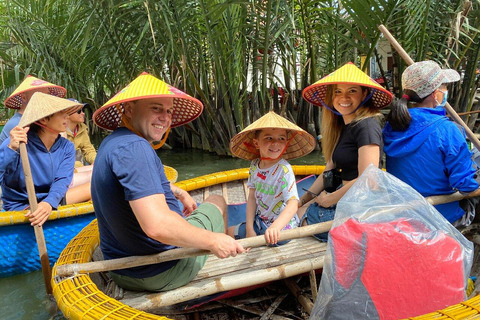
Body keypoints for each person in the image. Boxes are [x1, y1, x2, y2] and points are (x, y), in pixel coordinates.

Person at [91, 72, 245, 292]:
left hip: (123, 271)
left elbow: (132, 185)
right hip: (161, 269)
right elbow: (157, 225)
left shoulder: (113, 142)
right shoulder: (135, 148)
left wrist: (176, 192)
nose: (165, 117)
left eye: (169, 111)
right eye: (156, 108)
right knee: (217, 199)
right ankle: (227, 248)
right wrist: (213, 241)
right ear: (129, 109)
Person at [299, 62, 393, 240]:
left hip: (362, 206)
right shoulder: (343, 126)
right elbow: (330, 167)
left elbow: (369, 179)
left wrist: (330, 199)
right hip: (345, 198)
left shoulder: (366, 126)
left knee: (298, 219)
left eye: (352, 91)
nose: (344, 97)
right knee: (297, 211)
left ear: (364, 94)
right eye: (338, 91)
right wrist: (303, 199)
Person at [383, 60, 479, 226]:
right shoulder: (448, 130)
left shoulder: (392, 125)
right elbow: (465, 185)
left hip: (404, 213)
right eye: (444, 87)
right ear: (436, 94)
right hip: (439, 216)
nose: (445, 91)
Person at [0, 92, 92, 226]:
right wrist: (10, 149)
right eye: (61, 113)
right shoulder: (18, 142)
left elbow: (62, 180)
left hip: (50, 198)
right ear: (43, 120)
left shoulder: (66, 147)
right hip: (22, 205)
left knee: (95, 187)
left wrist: (49, 202)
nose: (67, 116)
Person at [227, 111, 316, 245]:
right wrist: (250, 229)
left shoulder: (284, 170)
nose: (276, 143)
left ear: (286, 143)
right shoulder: (254, 165)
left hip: (282, 230)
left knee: (267, 243)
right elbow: (252, 197)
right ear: (256, 143)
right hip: (260, 222)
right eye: (269, 138)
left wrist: (275, 228)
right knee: (229, 232)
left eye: (281, 139)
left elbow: (292, 204)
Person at [0, 75, 66, 144]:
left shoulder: (39, 120)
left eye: (47, 95)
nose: (45, 99)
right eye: (39, 95)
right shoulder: (18, 124)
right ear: (24, 97)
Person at [65, 98, 97, 168]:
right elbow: (60, 159)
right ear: (67, 114)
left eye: (83, 110)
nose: (83, 113)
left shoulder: (82, 128)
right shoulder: (59, 132)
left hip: (80, 168)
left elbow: (88, 150)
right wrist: (81, 166)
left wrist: (96, 160)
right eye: (79, 111)